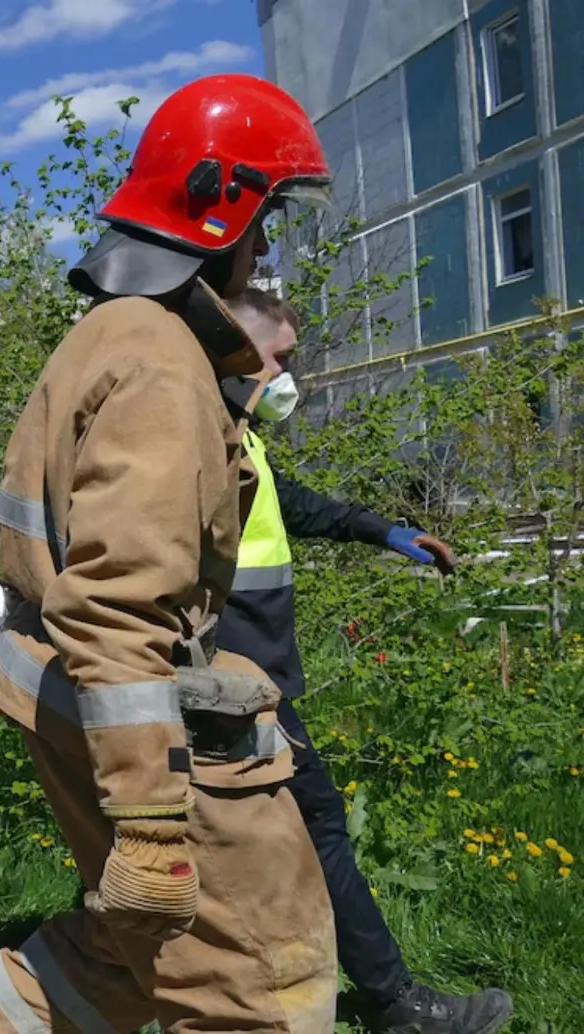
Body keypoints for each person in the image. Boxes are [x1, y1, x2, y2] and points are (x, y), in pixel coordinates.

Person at [0, 73, 339, 1034]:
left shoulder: (111, 335)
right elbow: (117, 606)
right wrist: (153, 822)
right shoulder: (161, 363)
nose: (267, 254)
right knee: (261, 986)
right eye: (270, 221)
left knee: (136, 958)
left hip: (69, 691)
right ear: (229, 216)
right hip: (141, 727)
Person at [217, 288, 514, 1034]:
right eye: (281, 357)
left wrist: (388, 532)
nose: (291, 375)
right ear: (241, 351)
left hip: (253, 678)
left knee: (206, 841)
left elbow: (296, 507)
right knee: (314, 827)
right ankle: (396, 1003)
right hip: (233, 683)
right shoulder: (204, 437)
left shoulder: (240, 436)